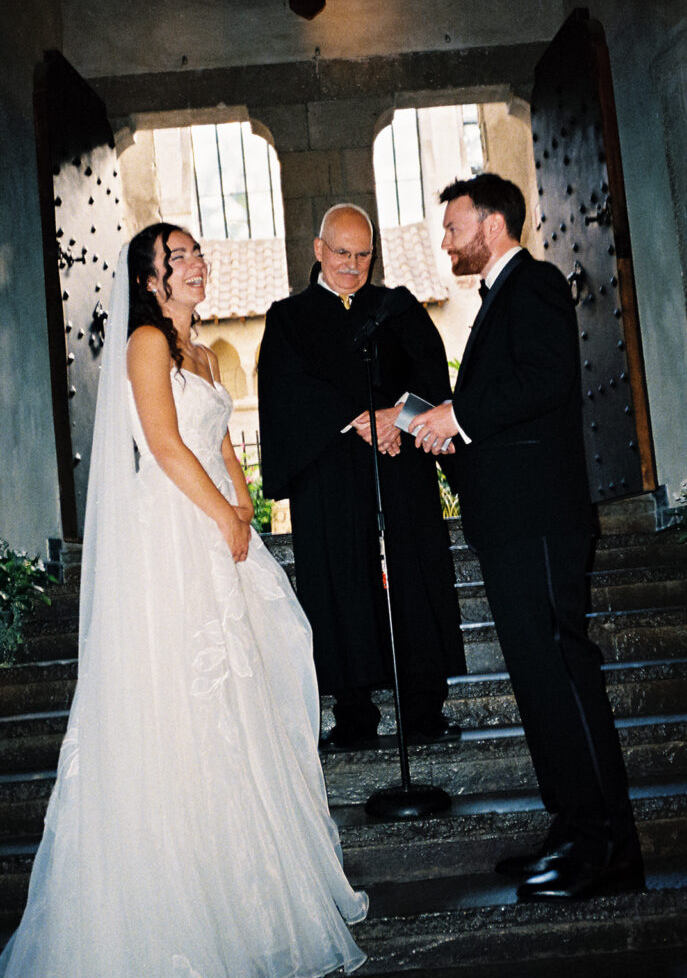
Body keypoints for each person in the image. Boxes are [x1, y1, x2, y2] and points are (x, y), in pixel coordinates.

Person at [0, 223, 368, 978]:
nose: (196, 263)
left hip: (218, 525)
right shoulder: (146, 345)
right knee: (185, 709)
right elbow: (167, 447)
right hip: (172, 533)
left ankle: (249, 895)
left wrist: (247, 508)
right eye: (180, 258)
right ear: (150, 279)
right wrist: (224, 516)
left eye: (198, 252)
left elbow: (222, 444)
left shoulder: (200, 352)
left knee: (250, 694)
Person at [410, 174, 644, 901]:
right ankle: (570, 825)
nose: (444, 241)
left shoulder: (534, 283)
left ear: (491, 222)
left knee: (561, 673)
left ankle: (603, 847)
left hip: (539, 521)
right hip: (513, 520)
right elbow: (516, 403)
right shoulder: (501, 298)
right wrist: (459, 431)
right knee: (539, 680)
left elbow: (545, 383)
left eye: (452, 226)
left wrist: (458, 416)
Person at [258, 204, 464, 746]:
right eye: (342, 253)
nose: (352, 265)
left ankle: (423, 707)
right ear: (319, 250)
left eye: (363, 255)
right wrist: (355, 419)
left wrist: (398, 418)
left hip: (400, 467)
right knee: (338, 581)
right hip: (330, 475)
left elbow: (433, 380)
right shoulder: (288, 318)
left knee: (414, 576)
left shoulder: (399, 309)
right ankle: (354, 713)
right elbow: (286, 393)